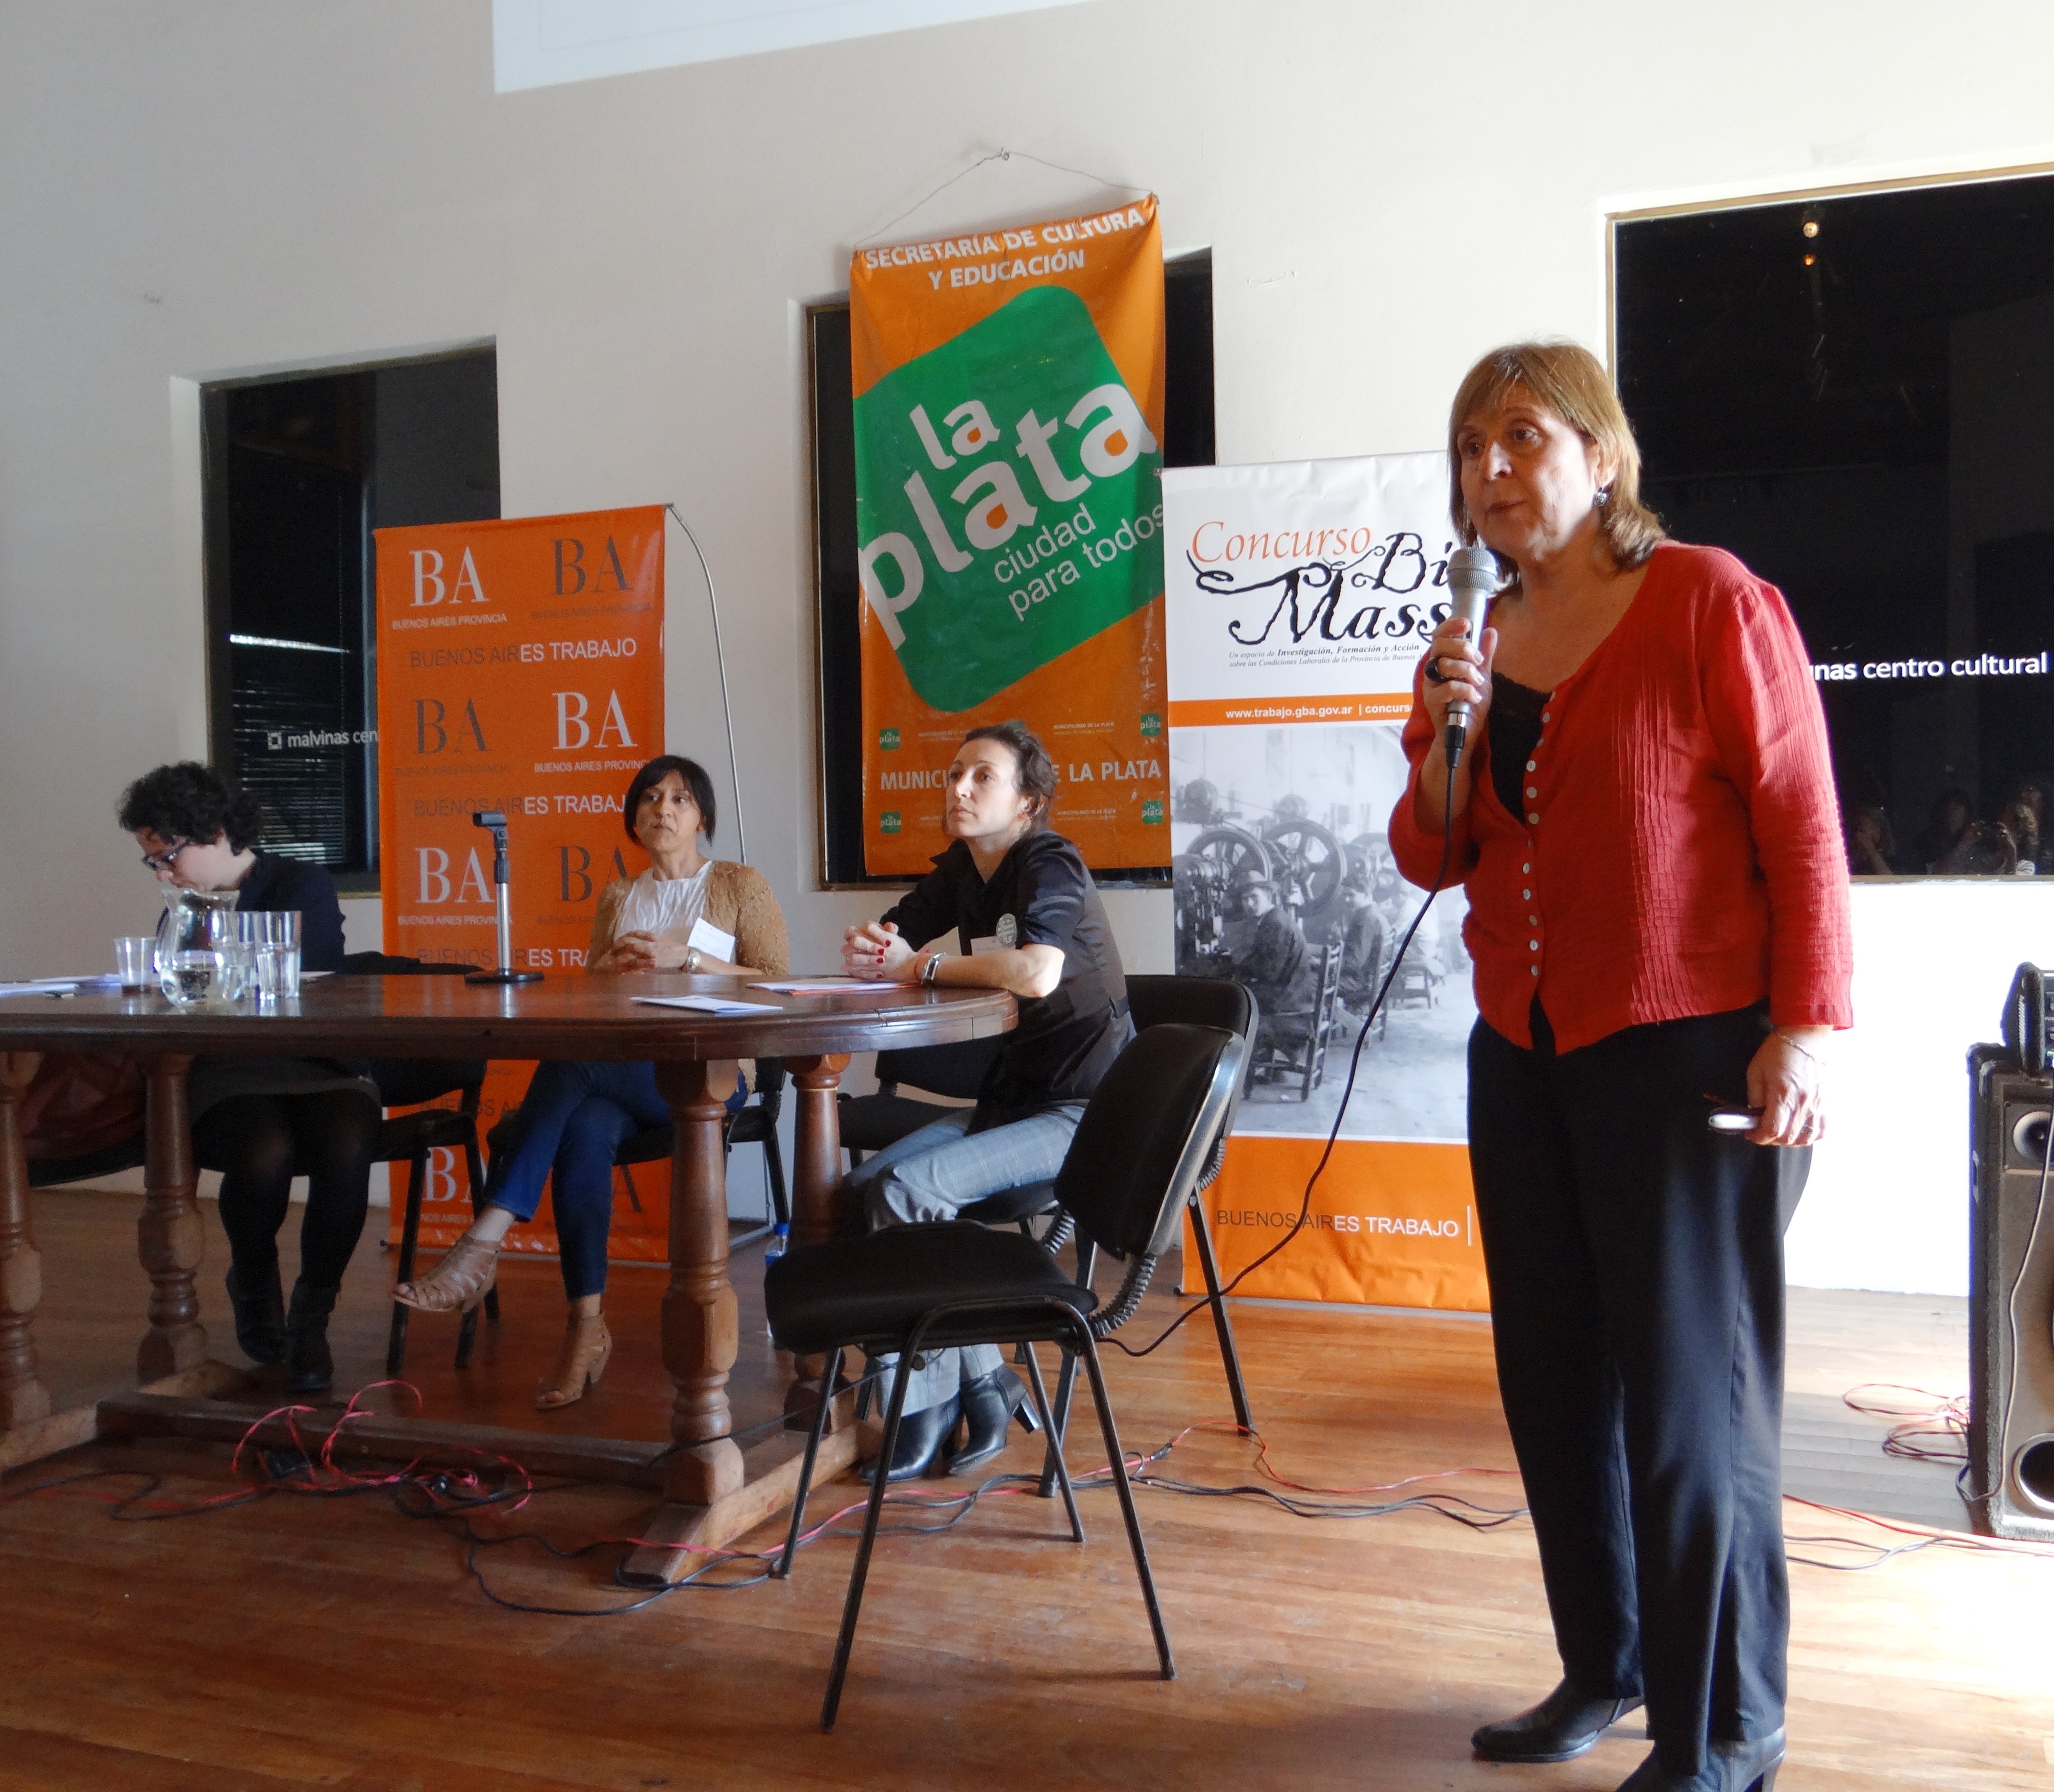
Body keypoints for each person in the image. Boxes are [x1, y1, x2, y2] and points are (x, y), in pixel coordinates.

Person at [1394, 342, 1851, 1792]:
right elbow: (1431, 851)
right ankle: (1608, 1663)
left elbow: (1802, 821)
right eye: (1470, 447)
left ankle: (1727, 1723)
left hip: (1686, 1048)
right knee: (1552, 1383)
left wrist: (1806, 1024)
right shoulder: (1472, 643)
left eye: (1522, 435)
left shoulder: (1707, 599)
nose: (1490, 468)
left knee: (1689, 1399)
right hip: (1523, 1051)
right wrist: (1446, 735)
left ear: (1601, 454)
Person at [394, 754, 788, 1409]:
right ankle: (585, 1326)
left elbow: (777, 982)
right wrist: (608, 971)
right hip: (622, 1072)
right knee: (581, 1124)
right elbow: (591, 1001)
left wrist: (687, 958)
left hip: (709, 1073)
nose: (663, 809)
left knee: (569, 1067)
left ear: (702, 818)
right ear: (633, 817)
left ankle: (484, 1238)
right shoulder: (617, 897)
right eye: (650, 798)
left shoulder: (738, 884)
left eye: (680, 799)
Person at [840, 721, 1131, 1482]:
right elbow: (893, 940)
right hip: (1014, 1101)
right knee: (860, 1190)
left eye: (982, 777)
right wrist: (873, 947)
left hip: (1084, 1111)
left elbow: (1036, 971)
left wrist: (921, 967)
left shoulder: (1048, 861)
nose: (959, 788)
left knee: (905, 1190)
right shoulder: (962, 869)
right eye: (953, 773)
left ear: (1027, 802)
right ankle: (986, 1380)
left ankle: (924, 1406)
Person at [119, 761, 374, 1394]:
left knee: (348, 1139)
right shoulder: (185, 907)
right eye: (152, 862)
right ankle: (254, 1280)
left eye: (168, 856)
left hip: (313, 1059)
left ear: (214, 832)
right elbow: (183, 994)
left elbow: (313, 977)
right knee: (264, 1148)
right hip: (227, 1068)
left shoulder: (300, 883)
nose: (162, 873)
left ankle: (312, 1316)